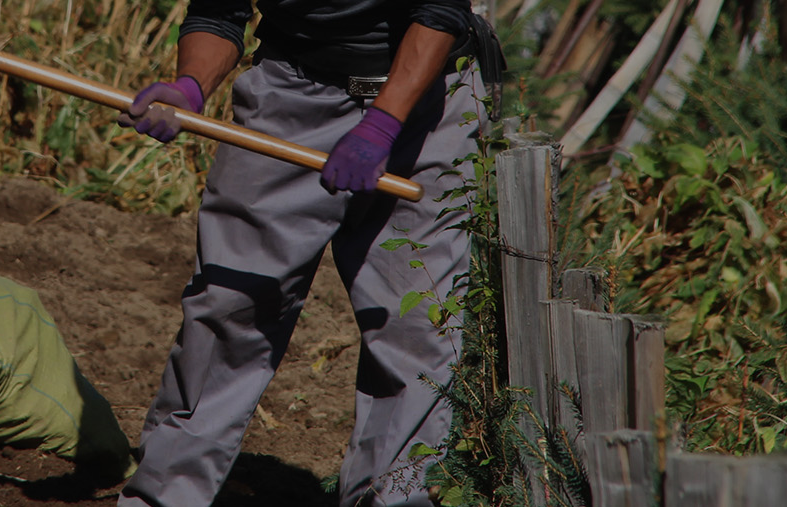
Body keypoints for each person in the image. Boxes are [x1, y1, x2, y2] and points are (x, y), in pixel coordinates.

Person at [114, 0, 502, 505]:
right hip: (292, 89)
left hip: (427, 100)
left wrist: (382, 125)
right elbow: (217, 12)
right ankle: (166, 495)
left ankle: (395, 498)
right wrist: (190, 85)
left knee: (416, 329)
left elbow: (438, 13)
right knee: (231, 304)